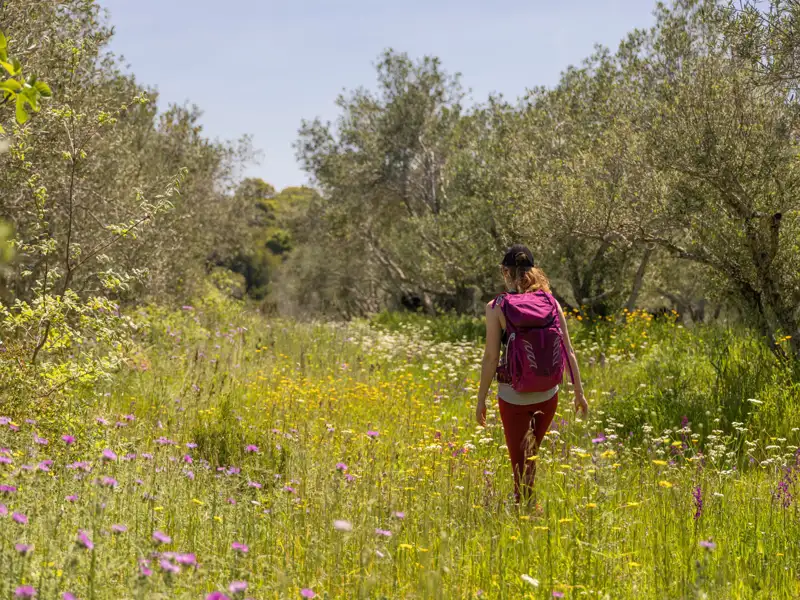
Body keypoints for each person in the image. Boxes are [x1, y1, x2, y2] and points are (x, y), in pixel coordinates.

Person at [476, 244, 588, 502]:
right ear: (534, 270)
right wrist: (579, 394)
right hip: (549, 395)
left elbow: (492, 357)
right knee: (531, 454)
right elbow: (569, 351)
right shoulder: (551, 302)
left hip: (513, 397)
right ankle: (528, 508)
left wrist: (480, 399)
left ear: (505, 272)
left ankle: (524, 513)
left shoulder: (496, 306)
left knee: (520, 464)